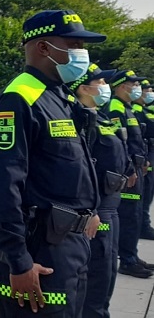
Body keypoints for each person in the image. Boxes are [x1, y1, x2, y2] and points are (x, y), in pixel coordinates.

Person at [0, 10, 102, 316]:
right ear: (44, 47)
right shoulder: (19, 98)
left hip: (70, 243)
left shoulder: (58, 96)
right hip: (40, 249)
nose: (82, 54)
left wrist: (91, 210)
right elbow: (2, 185)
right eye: (74, 44)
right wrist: (18, 260)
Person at [69, 64, 128, 317]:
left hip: (111, 203)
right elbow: (82, 168)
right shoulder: (79, 119)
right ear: (83, 88)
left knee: (108, 270)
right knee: (97, 272)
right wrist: (90, 209)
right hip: (98, 208)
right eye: (101, 83)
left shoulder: (99, 115)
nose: (105, 87)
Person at [107, 70, 154, 278]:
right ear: (120, 86)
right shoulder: (115, 108)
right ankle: (126, 260)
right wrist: (128, 169)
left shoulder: (127, 108)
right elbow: (119, 143)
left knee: (135, 214)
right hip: (129, 173)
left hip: (137, 169)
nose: (137, 88)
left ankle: (131, 255)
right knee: (129, 216)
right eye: (132, 84)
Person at [134, 79, 154, 240]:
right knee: (142, 198)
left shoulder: (145, 109)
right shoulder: (134, 111)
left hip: (148, 158)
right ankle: (143, 227)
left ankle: (144, 226)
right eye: (146, 89)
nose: (148, 92)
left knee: (147, 198)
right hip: (143, 160)